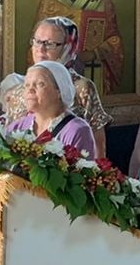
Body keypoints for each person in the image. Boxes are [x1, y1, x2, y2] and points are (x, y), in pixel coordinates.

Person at [30, 16, 112, 158]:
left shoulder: (81, 88)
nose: (40, 49)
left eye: (49, 43)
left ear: (68, 47)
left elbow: (98, 147)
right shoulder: (21, 87)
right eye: (37, 42)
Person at [3, 60, 97, 158]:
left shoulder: (77, 131)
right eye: (27, 85)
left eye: (40, 84)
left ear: (59, 91)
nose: (30, 90)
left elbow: (81, 171)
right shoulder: (17, 128)